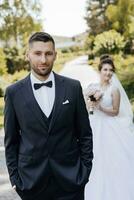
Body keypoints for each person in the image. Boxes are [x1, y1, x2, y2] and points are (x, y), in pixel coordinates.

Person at [4, 32, 93, 200]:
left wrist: (84, 171)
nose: (43, 60)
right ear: (28, 55)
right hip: (31, 184)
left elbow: (85, 134)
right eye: (37, 53)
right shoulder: (13, 93)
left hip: (71, 182)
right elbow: (11, 141)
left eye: (48, 53)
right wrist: (16, 180)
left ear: (55, 55)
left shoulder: (73, 87)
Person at [84, 55, 134, 200]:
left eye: (110, 70)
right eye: (105, 69)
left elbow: (115, 111)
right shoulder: (92, 87)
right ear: (100, 70)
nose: (108, 73)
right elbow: (88, 108)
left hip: (110, 126)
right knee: (94, 157)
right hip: (95, 124)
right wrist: (91, 106)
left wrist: (101, 107)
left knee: (112, 158)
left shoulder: (114, 90)